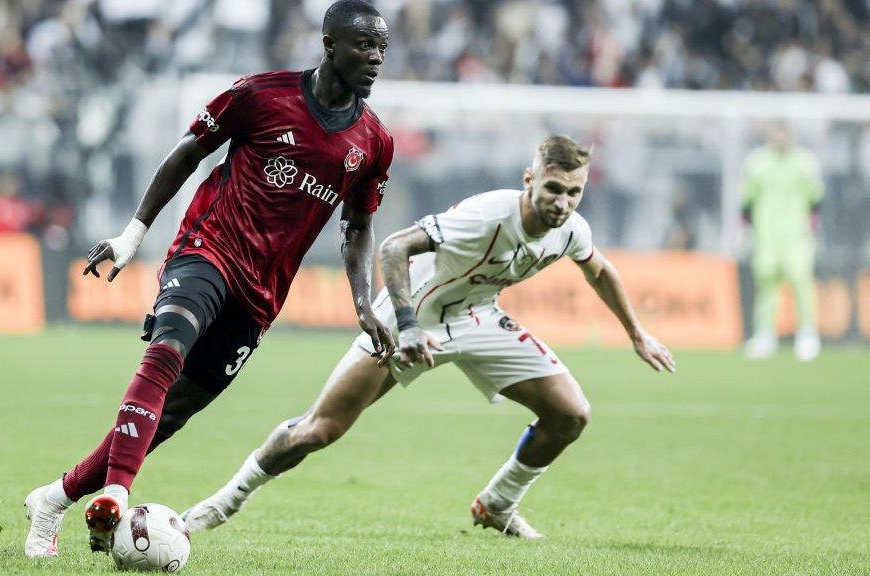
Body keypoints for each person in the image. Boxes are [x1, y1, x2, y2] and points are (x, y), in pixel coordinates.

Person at [23, 0, 394, 557]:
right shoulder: (260, 95)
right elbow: (186, 153)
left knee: (171, 414)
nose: (375, 58)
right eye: (365, 46)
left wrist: (364, 303)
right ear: (329, 44)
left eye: (382, 48)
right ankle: (118, 496)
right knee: (169, 346)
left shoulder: (373, 142)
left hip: (262, 294)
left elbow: (359, 226)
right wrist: (133, 233)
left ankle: (53, 499)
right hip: (208, 246)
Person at [181, 135, 676, 540]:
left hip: (478, 317)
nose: (562, 203)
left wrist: (637, 334)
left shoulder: (571, 229)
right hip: (410, 313)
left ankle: (497, 505)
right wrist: (409, 325)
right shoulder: (487, 215)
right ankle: (223, 503)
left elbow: (600, 271)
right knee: (320, 429)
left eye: (574, 193)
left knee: (570, 415)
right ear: (529, 180)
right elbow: (395, 248)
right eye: (553, 189)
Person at [741, 123, 825, 361]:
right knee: (766, 284)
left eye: (783, 133)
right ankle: (765, 335)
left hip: (796, 236)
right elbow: (746, 200)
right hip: (766, 235)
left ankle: (807, 335)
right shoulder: (757, 162)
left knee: (801, 283)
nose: (779, 138)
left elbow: (815, 200)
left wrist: (813, 229)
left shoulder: (804, 162)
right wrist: (746, 230)